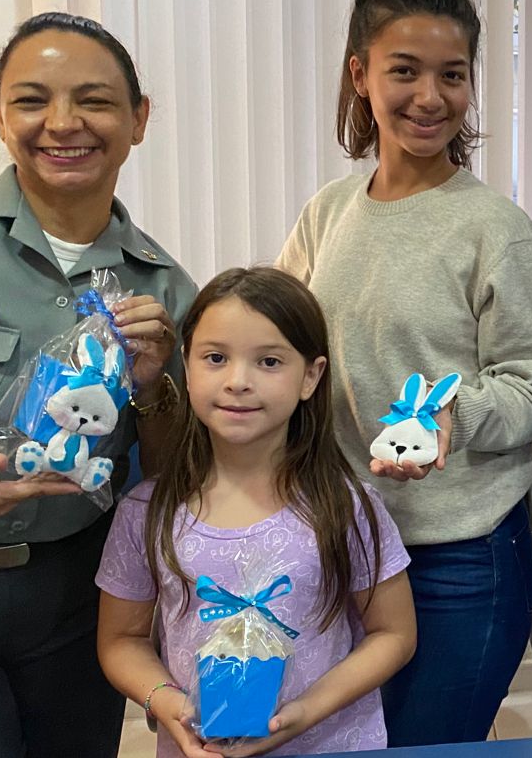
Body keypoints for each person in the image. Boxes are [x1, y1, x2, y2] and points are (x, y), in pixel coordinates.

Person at [0, 12, 196, 758]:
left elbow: (173, 478)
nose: (62, 123)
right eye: (32, 100)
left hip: (74, 609)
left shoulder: (167, 290)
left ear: (138, 119)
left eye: (94, 100)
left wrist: (154, 386)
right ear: (0, 116)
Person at [275, 0, 532, 746]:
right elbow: (280, 345)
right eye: (405, 71)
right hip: (341, 542)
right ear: (360, 76)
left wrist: (449, 412)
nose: (430, 97)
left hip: (457, 560)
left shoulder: (496, 231)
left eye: (452, 75)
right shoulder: (327, 213)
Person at [96, 267, 415, 757]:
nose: (238, 382)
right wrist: (172, 707)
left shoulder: (347, 506)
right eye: (216, 358)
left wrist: (305, 711)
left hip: (331, 745)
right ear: (186, 366)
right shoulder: (146, 512)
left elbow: (393, 633)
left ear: (311, 376)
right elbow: (122, 640)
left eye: (269, 361)